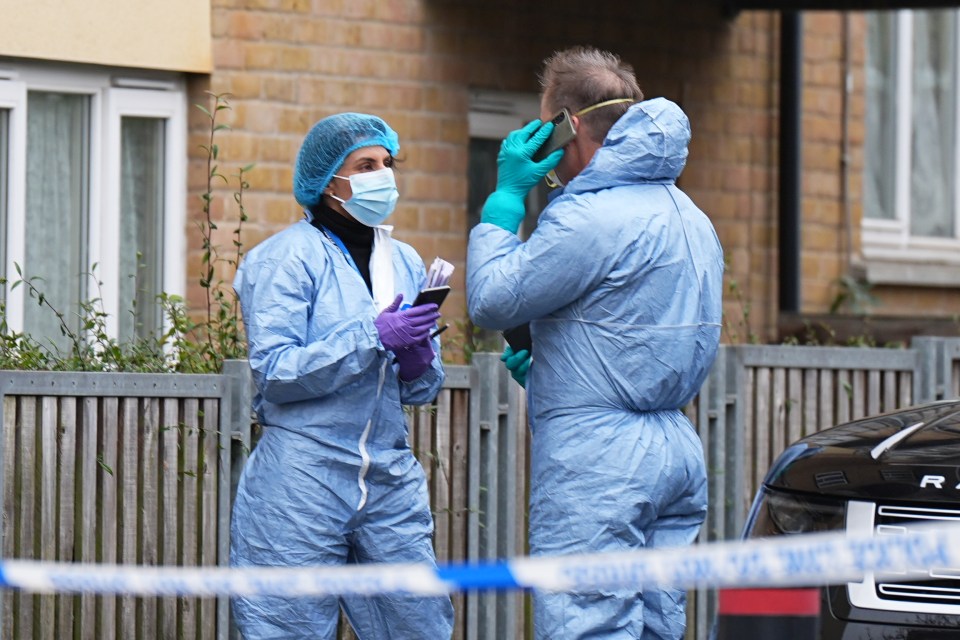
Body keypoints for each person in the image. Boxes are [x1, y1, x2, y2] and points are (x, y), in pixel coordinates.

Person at [467, 47, 724, 639]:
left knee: (589, 625)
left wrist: (503, 204)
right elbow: (641, 330)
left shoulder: (590, 216)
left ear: (568, 124)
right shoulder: (690, 216)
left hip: (599, 464)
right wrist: (561, 366)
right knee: (659, 626)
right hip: (675, 450)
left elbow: (492, 300)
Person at [230, 112, 454, 639]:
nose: (384, 175)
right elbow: (277, 372)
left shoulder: (403, 260)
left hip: (388, 473)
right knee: (287, 627)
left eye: (387, 163)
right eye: (366, 164)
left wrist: (419, 360)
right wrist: (373, 336)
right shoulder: (284, 260)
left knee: (418, 623)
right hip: (303, 476)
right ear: (329, 179)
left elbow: (421, 386)